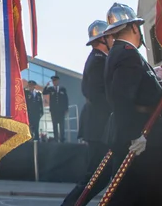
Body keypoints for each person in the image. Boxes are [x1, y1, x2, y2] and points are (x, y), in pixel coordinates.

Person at [102, 2, 162, 205]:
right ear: (134, 27)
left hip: (143, 139)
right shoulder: (128, 53)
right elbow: (123, 98)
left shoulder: (120, 53)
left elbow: (142, 91)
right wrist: (136, 136)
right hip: (147, 140)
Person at [61, 20, 114, 205]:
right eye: (111, 36)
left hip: (100, 127)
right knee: (96, 177)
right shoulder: (99, 61)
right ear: (103, 39)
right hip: (99, 128)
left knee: (104, 176)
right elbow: (97, 95)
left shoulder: (99, 59)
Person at [43, 75, 69, 142]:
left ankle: (62, 139)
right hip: (54, 110)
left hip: (61, 110)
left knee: (62, 125)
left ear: (58, 81)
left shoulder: (62, 89)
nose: (54, 82)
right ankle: (56, 138)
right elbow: (44, 92)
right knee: (54, 125)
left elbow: (66, 99)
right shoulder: (51, 89)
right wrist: (46, 86)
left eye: (55, 80)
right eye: (53, 81)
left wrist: (66, 108)